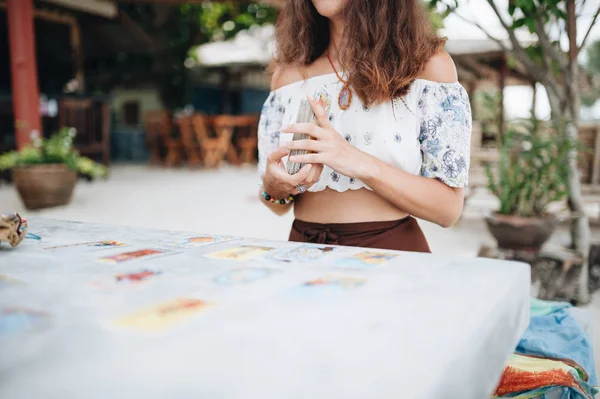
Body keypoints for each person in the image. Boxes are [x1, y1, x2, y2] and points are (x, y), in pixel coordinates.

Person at [257, 0, 472, 253]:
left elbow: (447, 210)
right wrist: (274, 187)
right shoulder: (288, 77)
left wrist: (357, 162)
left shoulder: (426, 67)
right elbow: (277, 205)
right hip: (302, 252)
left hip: (388, 254)